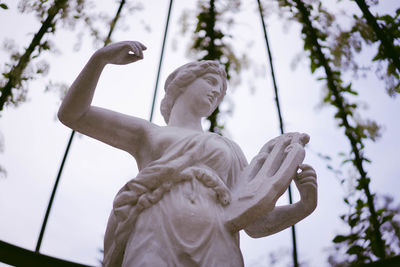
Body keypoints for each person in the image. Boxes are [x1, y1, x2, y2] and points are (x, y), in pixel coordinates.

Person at [58, 41, 317, 267]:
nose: (217, 92)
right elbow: (73, 114)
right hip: (154, 232)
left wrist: (304, 207)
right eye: (210, 81)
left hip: (217, 237)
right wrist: (100, 59)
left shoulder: (228, 148)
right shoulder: (148, 133)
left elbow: (254, 221)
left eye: (222, 92)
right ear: (184, 81)